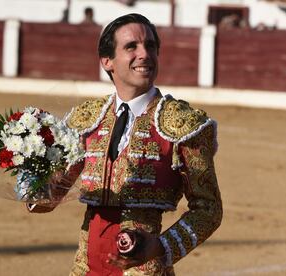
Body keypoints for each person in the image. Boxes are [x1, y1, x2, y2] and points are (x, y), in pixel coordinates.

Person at [27, 13, 223, 275]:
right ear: (107, 61)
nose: (144, 54)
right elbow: (50, 197)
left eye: (150, 46)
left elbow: (208, 209)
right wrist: (30, 168)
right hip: (86, 267)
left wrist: (161, 246)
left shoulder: (183, 125)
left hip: (144, 269)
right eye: (131, 46)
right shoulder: (87, 119)